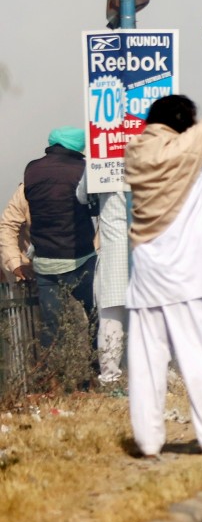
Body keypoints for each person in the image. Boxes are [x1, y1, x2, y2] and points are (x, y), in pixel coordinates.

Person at [122, 22, 202, 457]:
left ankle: (148, 442)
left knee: (146, 364)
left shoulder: (136, 153)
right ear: (183, 125)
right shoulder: (188, 151)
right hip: (187, 274)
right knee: (199, 358)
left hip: (147, 275)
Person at [21, 127, 96, 355]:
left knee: (52, 327)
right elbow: (93, 207)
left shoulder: (32, 169)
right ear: (77, 145)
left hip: (45, 263)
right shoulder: (82, 170)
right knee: (96, 317)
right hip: (79, 259)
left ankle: (53, 372)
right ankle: (98, 368)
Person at [78, 179, 132, 392]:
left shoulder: (100, 161)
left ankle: (110, 379)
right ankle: (158, 375)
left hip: (114, 254)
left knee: (110, 321)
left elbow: (82, 195)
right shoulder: (152, 159)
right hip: (145, 249)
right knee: (151, 318)